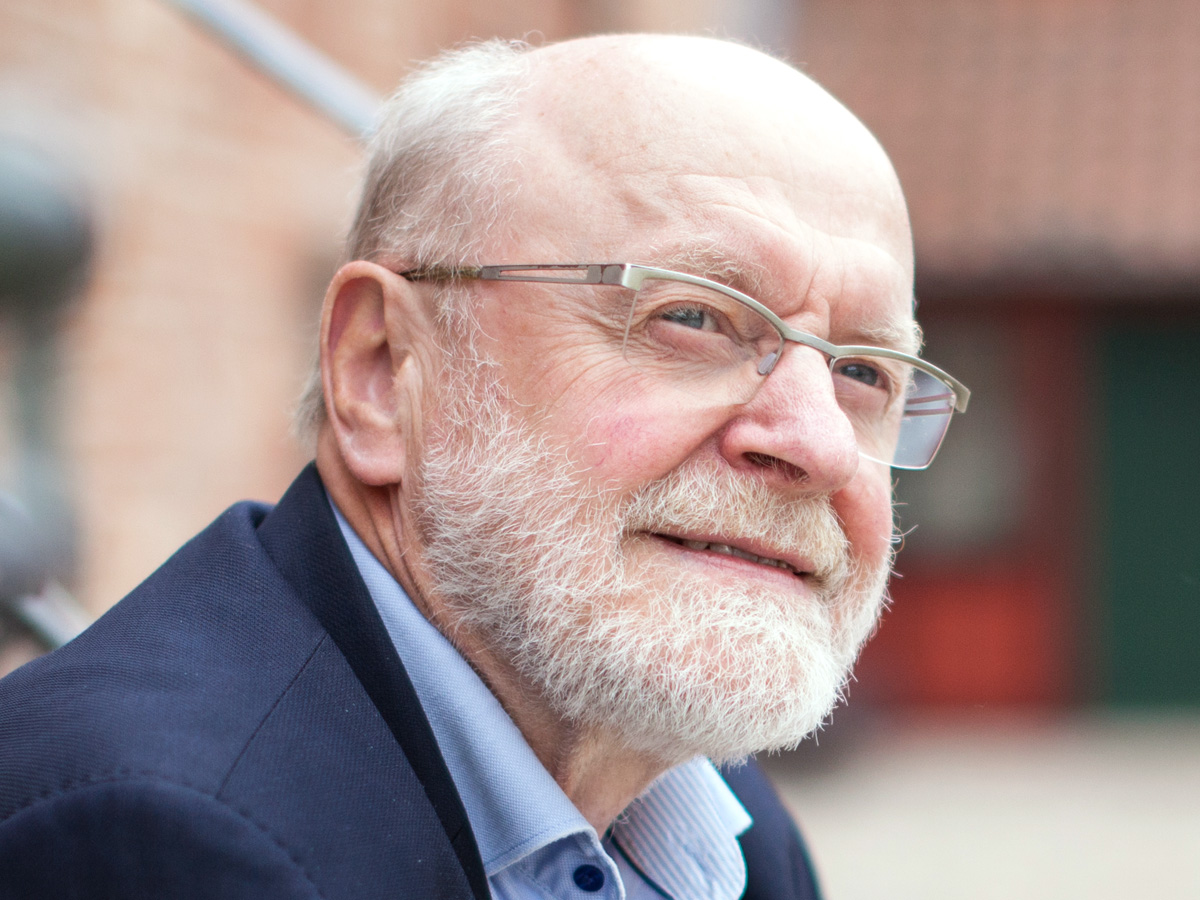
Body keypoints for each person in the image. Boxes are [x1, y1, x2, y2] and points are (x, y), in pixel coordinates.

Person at [0, 33, 968, 900]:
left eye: (864, 372)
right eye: (692, 318)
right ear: (382, 371)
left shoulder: (722, 822)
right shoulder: (159, 840)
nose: (816, 443)